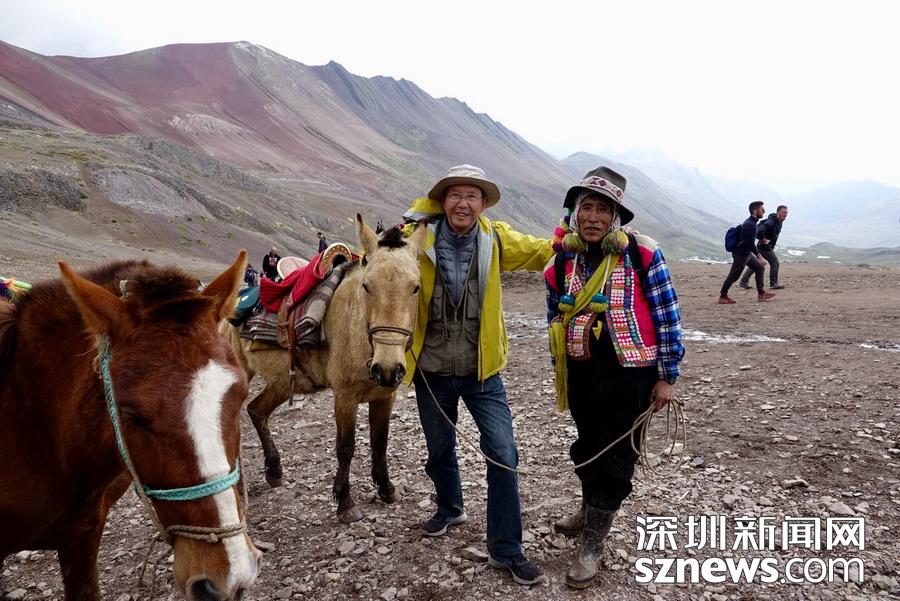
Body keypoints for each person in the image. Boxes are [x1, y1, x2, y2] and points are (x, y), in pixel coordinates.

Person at [402, 164, 553, 586]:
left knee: (503, 454)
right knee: (439, 450)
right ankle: (450, 509)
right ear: (442, 200)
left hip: (483, 373)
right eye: (455, 195)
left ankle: (506, 549)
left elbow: (546, 251)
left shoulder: (497, 238)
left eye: (472, 196)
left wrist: (584, 238)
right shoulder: (416, 238)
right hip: (431, 371)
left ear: (483, 204)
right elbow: (378, 262)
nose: (463, 203)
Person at [543, 166, 685, 589]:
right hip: (582, 373)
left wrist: (667, 376)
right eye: (586, 207)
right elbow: (555, 319)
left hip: (632, 376)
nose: (593, 217)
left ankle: (592, 543)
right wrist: (560, 368)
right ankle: (589, 510)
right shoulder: (561, 260)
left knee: (617, 456)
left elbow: (667, 316)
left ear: (615, 217)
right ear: (574, 213)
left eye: (602, 210)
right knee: (587, 445)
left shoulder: (643, 253)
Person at [718, 201, 775, 303]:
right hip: (741, 255)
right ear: (755, 211)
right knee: (733, 276)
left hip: (746, 253)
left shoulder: (752, 223)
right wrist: (760, 257)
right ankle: (723, 296)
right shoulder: (750, 224)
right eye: (762, 209)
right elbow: (750, 243)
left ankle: (761, 294)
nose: (764, 211)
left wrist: (762, 239)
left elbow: (751, 238)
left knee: (759, 268)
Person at [739, 204, 788, 290]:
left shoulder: (779, 221)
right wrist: (763, 239)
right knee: (775, 263)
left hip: (763, 247)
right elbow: (760, 230)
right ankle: (773, 283)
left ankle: (743, 281)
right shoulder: (771, 221)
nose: (785, 215)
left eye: (786, 213)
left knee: (756, 265)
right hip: (765, 247)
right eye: (784, 213)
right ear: (778, 213)